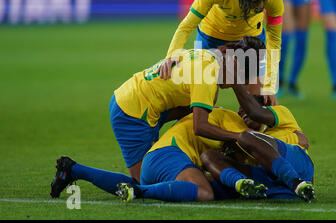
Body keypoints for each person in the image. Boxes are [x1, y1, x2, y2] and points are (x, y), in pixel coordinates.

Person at [50, 37, 265, 198]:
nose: (231, 86)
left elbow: (189, 108)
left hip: (142, 101)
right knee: (142, 180)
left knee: (202, 110)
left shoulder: (206, 55)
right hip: (133, 111)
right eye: (239, 79)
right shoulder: (208, 74)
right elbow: (200, 126)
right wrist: (237, 137)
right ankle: (73, 169)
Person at [157, 0, 284, 104]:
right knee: (204, 99)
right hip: (211, 37)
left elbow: (274, 40)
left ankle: (253, 129)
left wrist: (269, 84)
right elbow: (187, 25)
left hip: (250, 40)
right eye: (256, 0)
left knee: (261, 101)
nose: (261, 6)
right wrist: (172, 54)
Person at [116, 108, 268, 202]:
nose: (244, 113)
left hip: (157, 157)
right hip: (171, 154)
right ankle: (140, 192)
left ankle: (95, 175)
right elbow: (251, 139)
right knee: (205, 192)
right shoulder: (232, 119)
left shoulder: (213, 113)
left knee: (215, 185)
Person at [201, 90, 315, 201]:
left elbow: (256, 113)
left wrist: (235, 82)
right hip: (271, 183)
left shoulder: (281, 112)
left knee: (246, 137)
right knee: (208, 157)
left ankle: (295, 181)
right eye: (240, 113)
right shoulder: (241, 136)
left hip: (298, 168)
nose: (241, 114)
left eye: (245, 109)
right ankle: (243, 184)